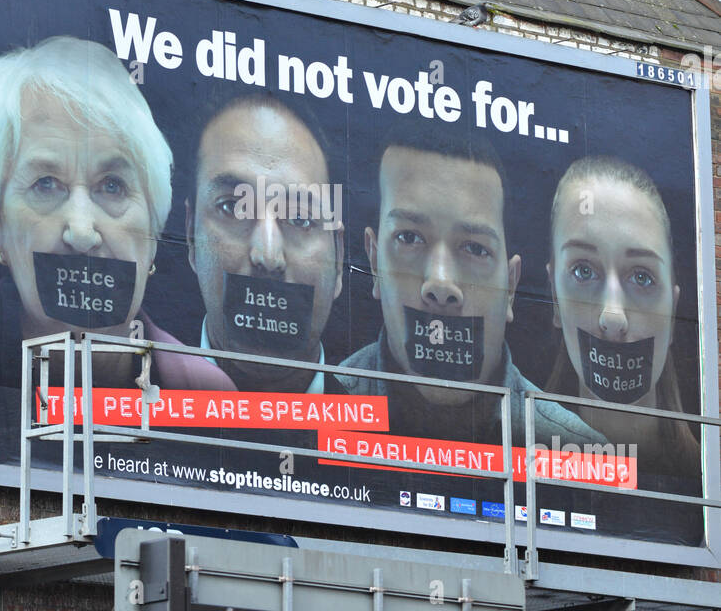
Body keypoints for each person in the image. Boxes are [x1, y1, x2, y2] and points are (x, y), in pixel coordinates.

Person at [0, 35, 235, 393]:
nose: (83, 231)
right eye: (45, 184)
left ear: (153, 229)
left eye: (112, 186)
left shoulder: (206, 393)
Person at [337, 126, 606, 449]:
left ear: (510, 286)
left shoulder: (583, 456)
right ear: (374, 264)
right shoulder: (308, 421)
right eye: (409, 238)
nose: (441, 283)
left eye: (475, 249)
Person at [546, 155, 700, 475]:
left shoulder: (709, 488)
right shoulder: (514, 463)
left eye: (642, 277)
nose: (612, 317)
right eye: (583, 271)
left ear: (672, 313)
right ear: (553, 297)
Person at [186, 93, 344, 392]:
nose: (268, 256)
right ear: (190, 236)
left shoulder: (389, 437)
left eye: (300, 218)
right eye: (233, 207)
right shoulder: (118, 414)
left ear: (339, 261)